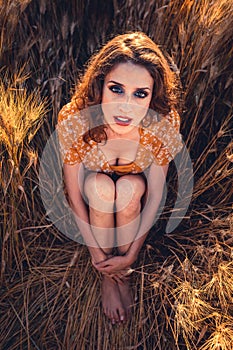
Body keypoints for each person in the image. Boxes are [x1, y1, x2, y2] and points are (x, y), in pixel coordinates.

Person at [57, 31, 183, 325]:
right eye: (116, 89)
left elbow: (154, 195)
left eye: (140, 94)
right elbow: (74, 194)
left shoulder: (164, 121)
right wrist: (95, 256)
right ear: (100, 85)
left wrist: (130, 258)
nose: (126, 106)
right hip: (94, 189)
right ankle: (108, 278)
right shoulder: (75, 119)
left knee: (127, 188)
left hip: (134, 189)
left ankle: (123, 276)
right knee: (99, 187)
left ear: (153, 96)